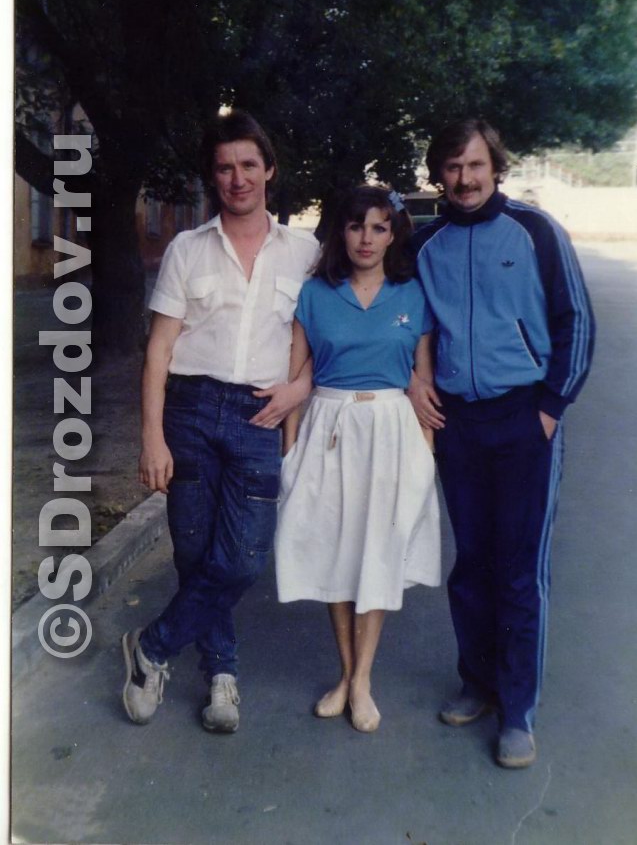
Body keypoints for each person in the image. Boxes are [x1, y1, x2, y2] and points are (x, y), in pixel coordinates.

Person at [121, 109, 320, 732]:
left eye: (249, 165)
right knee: (194, 552)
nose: (238, 179)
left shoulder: (305, 253)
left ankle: (151, 646)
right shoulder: (187, 249)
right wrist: (151, 437)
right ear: (214, 176)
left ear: (270, 171)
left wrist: (297, 391)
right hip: (190, 412)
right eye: (226, 168)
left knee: (243, 559)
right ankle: (221, 673)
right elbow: (159, 349)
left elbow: (325, 341)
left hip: (261, 414)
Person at [409, 118, 595, 768]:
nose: (464, 179)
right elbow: (406, 323)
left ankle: (517, 710)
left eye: (475, 165)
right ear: (439, 173)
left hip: (523, 419)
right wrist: (415, 380)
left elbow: (575, 321)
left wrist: (549, 409)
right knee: (471, 563)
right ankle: (478, 683)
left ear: (495, 167)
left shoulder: (534, 230)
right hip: (457, 423)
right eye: (452, 167)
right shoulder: (424, 242)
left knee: (518, 569)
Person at [275, 185, 441, 733]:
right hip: (329, 428)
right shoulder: (314, 294)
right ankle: (345, 675)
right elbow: (296, 378)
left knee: (378, 555)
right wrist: (290, 456)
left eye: (378, 227)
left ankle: (362, 680)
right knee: (337, 555)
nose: (365, 239)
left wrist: (426, 457)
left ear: (392, 235)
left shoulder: (412, 295)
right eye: (355, 226)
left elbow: (423, 381)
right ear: (340, 232)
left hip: (392, 432)